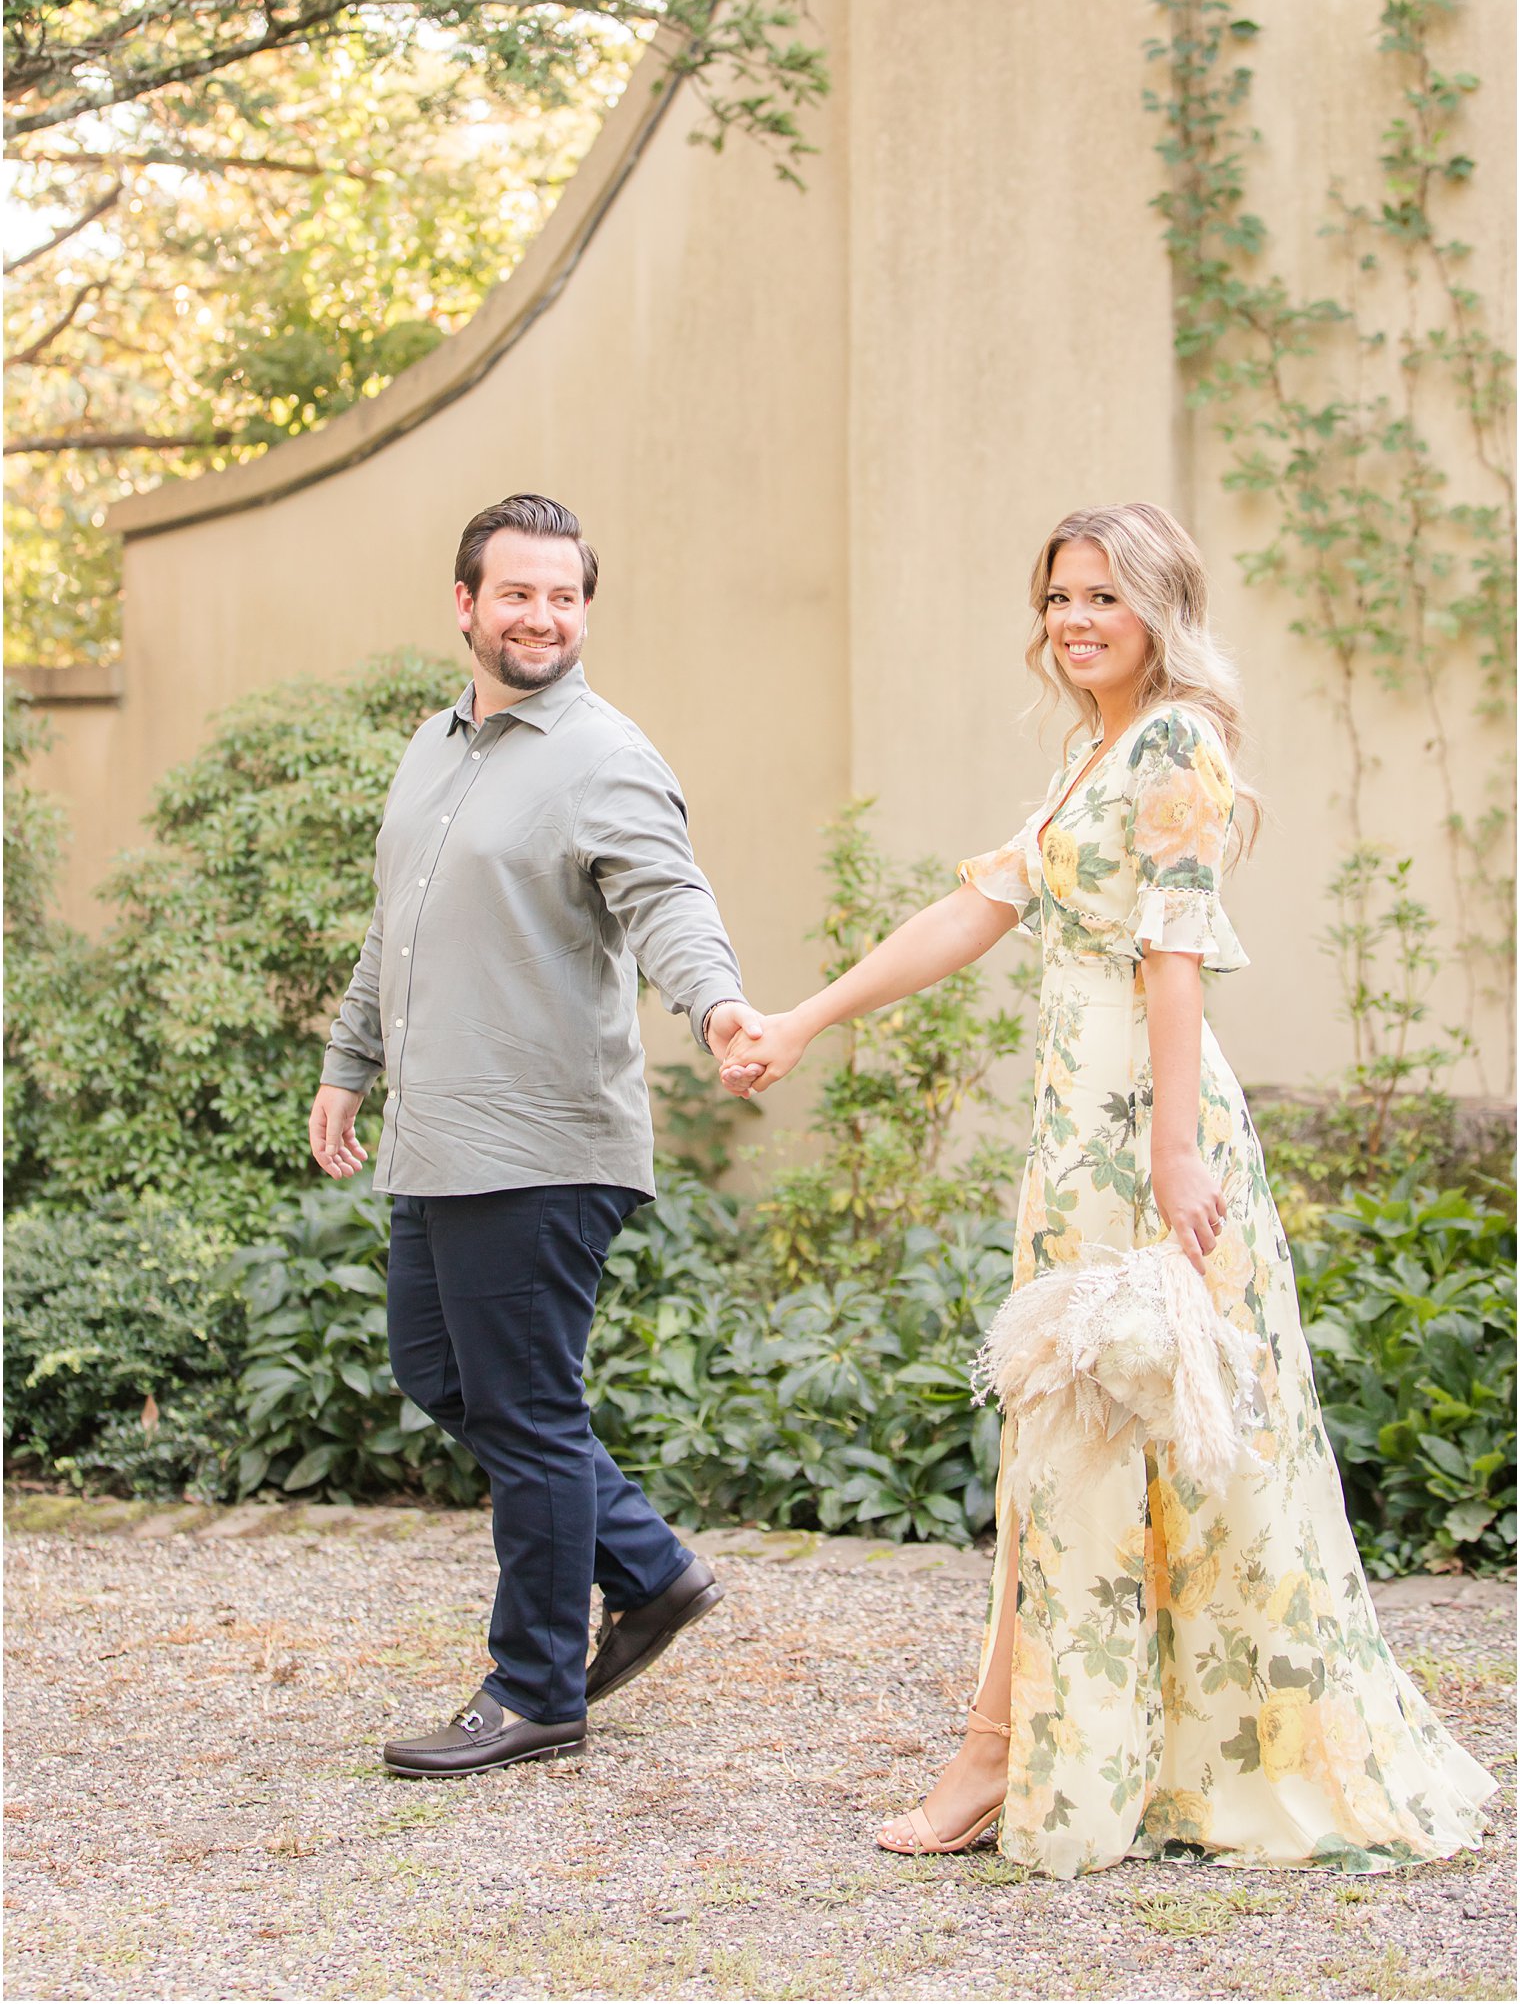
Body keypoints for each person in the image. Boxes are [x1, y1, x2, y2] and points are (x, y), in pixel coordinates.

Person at [721, 502, 1496, 1877]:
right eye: (1060, 597)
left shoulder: (1177, 743)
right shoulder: (1096, 757)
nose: (1076, 620)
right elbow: (973, 913)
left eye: (1105, 599)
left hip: (1148, 1132)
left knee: (1144, 1429)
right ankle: (1045, 1746)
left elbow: (1174, 953)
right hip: (1080, 1131)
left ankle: (1003, 1755)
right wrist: (802, 1017)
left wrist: (1175, 1150)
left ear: (1162, 611)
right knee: (1079, 1434)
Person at [310, 494, 764, 1778]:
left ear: (584, 609)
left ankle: (534, 1688)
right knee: (438, 1372)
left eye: (563, 596)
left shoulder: (606, 757)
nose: (541, 617)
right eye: (517, 594)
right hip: (441, 1133)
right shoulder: (434, 747)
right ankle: (649, 1570)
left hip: (544, 1141)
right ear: (466, 606)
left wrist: (718, 1004)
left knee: (525, 1404)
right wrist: (350, 1062)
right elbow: (394, 925)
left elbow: (670, 901)